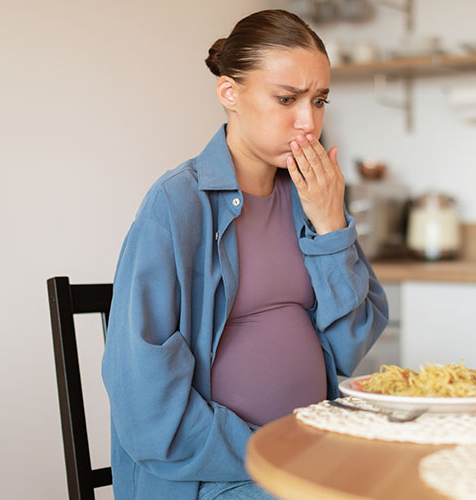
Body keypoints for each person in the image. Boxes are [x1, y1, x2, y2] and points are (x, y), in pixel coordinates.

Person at [101, 9, 389, 500]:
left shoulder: (310, 199)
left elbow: (350, 349)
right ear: (229, 93)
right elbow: (145, 400)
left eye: (319, 100)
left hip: (309, 454)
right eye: (287, 99)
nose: (309, 122)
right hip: (211, 477)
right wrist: (268, 451)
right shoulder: (177, 203)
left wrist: (331, 226)